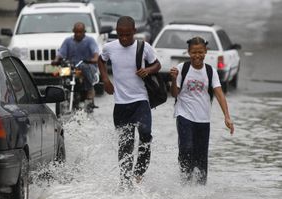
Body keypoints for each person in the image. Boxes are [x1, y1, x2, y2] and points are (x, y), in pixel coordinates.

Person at [98, 16, 161, 188]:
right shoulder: (109, 47)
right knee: (125, 143)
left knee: (146, 135)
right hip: (121, 104)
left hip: (141, 101)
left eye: (127, 35)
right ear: (116, 33)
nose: (124, 38)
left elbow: (157, 65)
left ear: (134, 31)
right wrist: (105, 79)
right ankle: (125, 180)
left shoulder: (143, 47)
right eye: (120, 35)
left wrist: (147, 70)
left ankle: (139, 172)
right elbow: (101, 60)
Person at [169, 36, 234, 185]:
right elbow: (174, 94)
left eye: (200, 52)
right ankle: (184, 182)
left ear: (206, 51)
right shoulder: (181, 69)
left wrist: (227, 116)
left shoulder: (211, 71)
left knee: (201, 157)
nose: (197, 56)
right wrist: (173, 79)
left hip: (203, 119)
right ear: (188, 52)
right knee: (186, 148)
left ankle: (200, 190)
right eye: (193, 52)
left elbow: (219, 94)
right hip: (184, 115)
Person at [52, 22, 99, 112]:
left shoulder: (90, 41)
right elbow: (61, 53)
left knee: (84, 67)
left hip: (86, 66)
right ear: (73, 31)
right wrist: (56, 60)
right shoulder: (68, 41)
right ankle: (64, 90)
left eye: (80, 32)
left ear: (84, 32)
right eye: (76, 32)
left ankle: (89, 90)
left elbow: (95, 53)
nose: (78, 34)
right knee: (60, 71)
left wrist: (94, 59)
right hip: (72, 68)